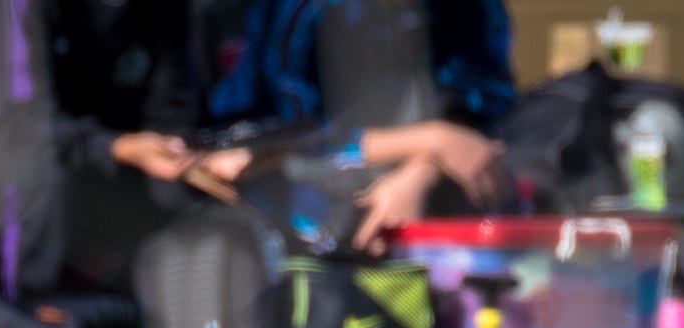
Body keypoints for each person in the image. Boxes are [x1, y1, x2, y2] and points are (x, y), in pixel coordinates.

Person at [203, 0, 516, 248]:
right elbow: (285, 139)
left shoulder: (470, 7)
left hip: (429, 193)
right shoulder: (298, 11)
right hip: (302, 202)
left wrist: (422, 172)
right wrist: (432, 141)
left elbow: (479, 115)